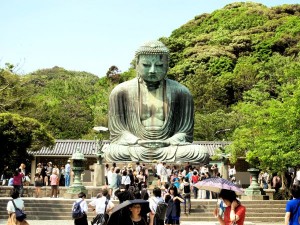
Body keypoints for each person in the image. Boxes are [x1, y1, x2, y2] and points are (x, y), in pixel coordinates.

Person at [105, 40, 209, 163]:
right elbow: (118, 132)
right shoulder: (121, 92)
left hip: (169, 147)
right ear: (137, 64)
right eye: (146, 65)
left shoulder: (181, 92)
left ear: (167, 65)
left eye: (159, 65)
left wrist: (168, 141)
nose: (153, 70)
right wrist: (138, 141)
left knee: (199, 152)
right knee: (112, 151)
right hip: (136, 147)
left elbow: (185, 133)